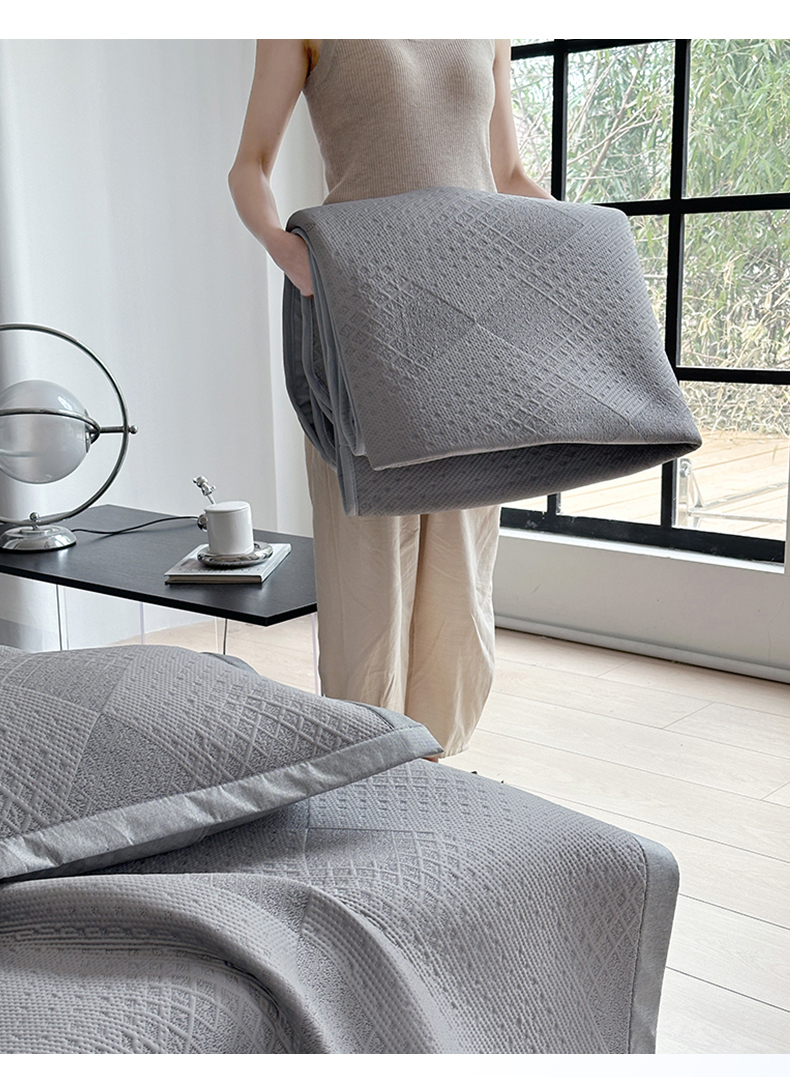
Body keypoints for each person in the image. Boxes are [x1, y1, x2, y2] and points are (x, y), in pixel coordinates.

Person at [228, 39, 552, 758]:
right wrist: (290, 253)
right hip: (363, 316)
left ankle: (436, 774)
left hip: (472, 319)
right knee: (367, 578)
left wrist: (590, 243)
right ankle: (363, 769)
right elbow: (249, 166)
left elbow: (507, 175)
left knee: (459, 577)